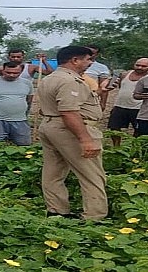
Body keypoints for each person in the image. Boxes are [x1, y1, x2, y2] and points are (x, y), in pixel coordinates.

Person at [36, 46, 107, 220]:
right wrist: (86, 140)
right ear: (75, 60)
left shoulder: (50, 78)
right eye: (88, 60)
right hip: (69, 129)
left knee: (53, 172)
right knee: (91, 175)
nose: (90, 63)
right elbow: (69, 112)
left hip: (50, 125)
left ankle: (57, 211)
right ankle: (94, 216)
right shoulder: (70, 81)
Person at [105, 57, 148, 147]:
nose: (140, 67)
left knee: (139, 130)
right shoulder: (124, 74)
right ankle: (116, 147)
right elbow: (120, 87)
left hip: (138, 107)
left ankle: (135, 148)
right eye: (138, 65)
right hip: (119, 105)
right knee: (114, 128)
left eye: (144, 66)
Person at [84, 45, 112, 110]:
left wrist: (103, 103)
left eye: (91, 53)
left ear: (96, 55)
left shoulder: (102, 68)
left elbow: (104, 87)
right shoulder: (74, 64)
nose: (88, 54)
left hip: (91, 99)